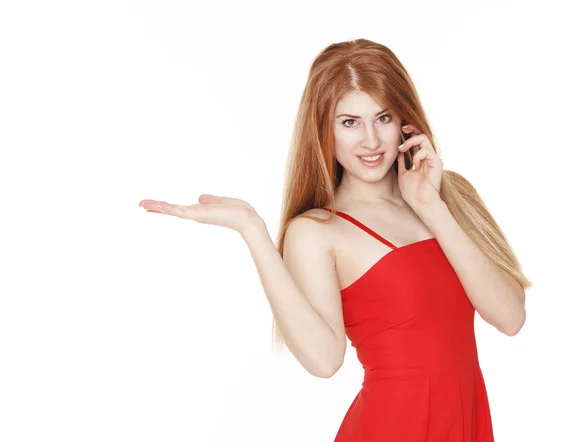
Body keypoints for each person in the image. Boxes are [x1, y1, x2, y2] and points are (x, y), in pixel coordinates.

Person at [139, 38, 532, 441]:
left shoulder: (453, 196)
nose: (371, 141)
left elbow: (510, 317)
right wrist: (253, 229)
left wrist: (431, 206)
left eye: (383, 118)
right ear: (323, 129)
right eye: (349, 122)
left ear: (405, 121)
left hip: (464, 422)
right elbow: (324, 361)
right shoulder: (317, 231)